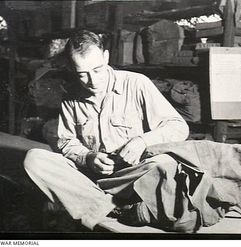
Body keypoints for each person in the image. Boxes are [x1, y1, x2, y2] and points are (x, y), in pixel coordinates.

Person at [24, 30, 190, 231]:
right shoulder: (71, 96)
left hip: (133, 175)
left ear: (106, 57)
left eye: (97, 69)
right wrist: (89, 157)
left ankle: (101, 202)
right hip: (93, 177)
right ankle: (109, 206)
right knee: (34, 159)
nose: (92, 81)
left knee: (165, 164)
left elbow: (179, 127)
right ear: (71, 68)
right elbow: (66, 142)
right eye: (82, 74)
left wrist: (142, 141)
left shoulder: (136, 83)